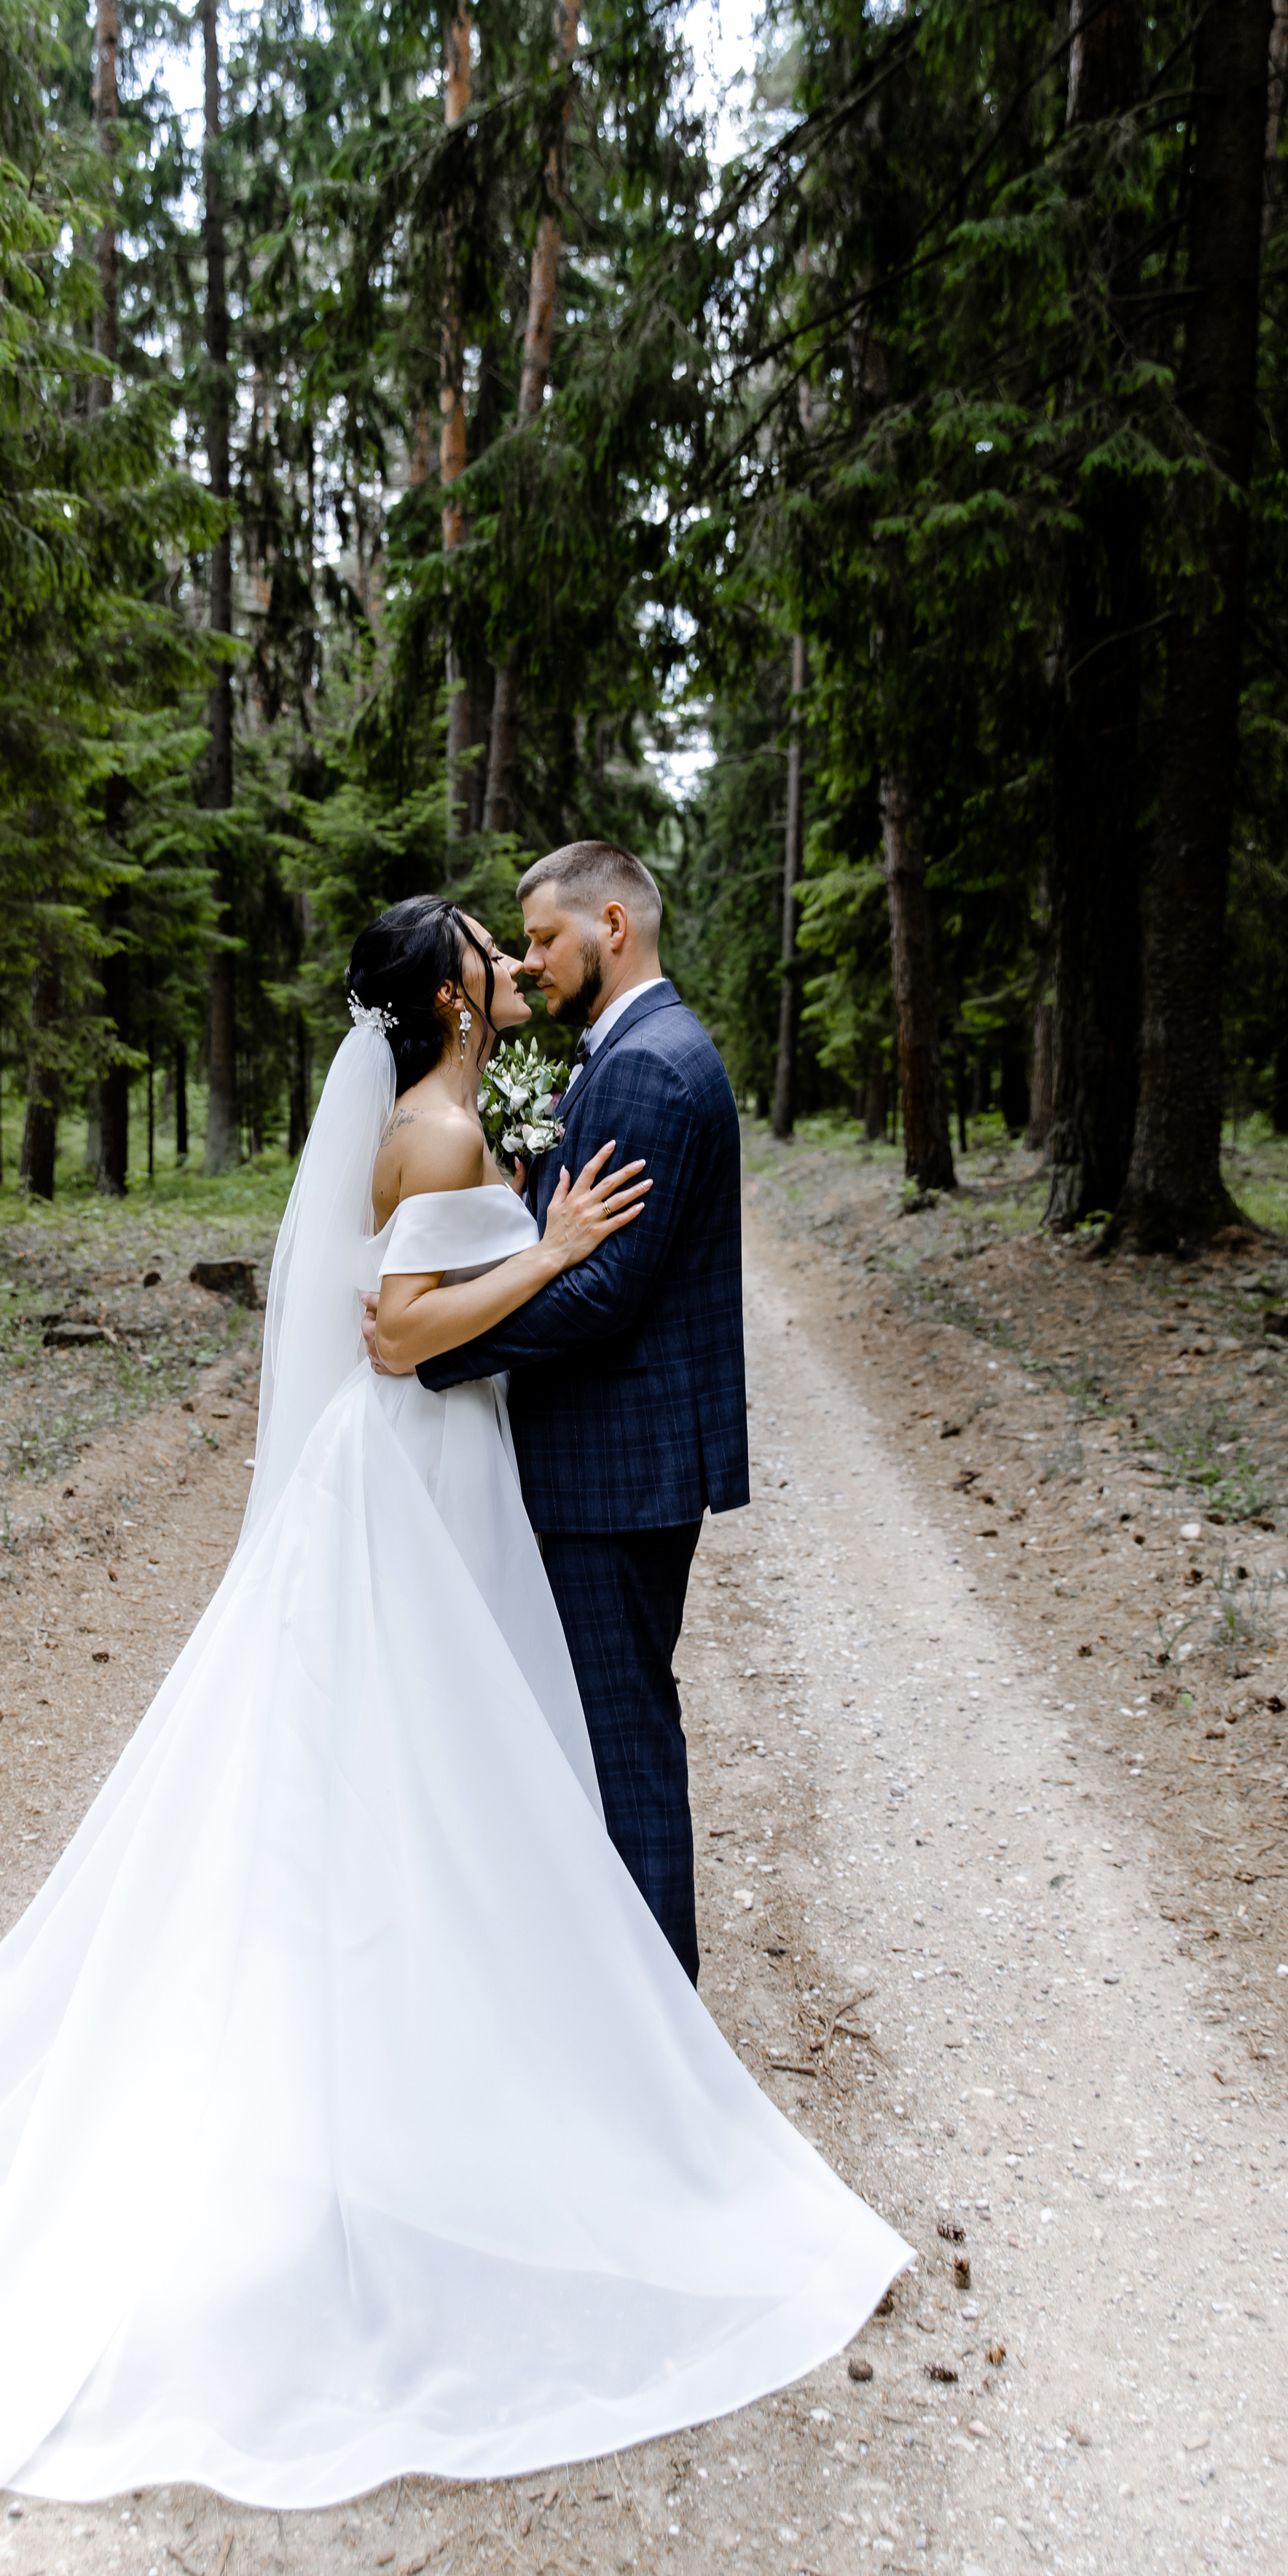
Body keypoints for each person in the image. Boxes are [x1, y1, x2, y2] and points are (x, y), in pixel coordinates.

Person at [0, 894, 908, 2520]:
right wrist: (546, 1246)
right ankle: (447, 2105)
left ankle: (446, 2082)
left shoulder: (445, 1112)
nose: (506, 959)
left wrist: (525, 1221)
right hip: (409, 1472)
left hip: (427, 1481)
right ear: (450, 995)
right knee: (432, 1777)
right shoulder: (440, 1123)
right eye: (487, 945)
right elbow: (393, 1336)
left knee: (425, 1785)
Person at [398, 842, 740, 1986]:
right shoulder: (629, 1051)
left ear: (613, 924)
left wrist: (426, 1350)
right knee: (595, 1737)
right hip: (613, 1462)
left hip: (614, 1470)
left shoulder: (648, 1065)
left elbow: (599, 1293)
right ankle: (615, 2016)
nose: (532, 962)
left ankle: (662, 2039)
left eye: (543, 939)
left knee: (624, 1744)